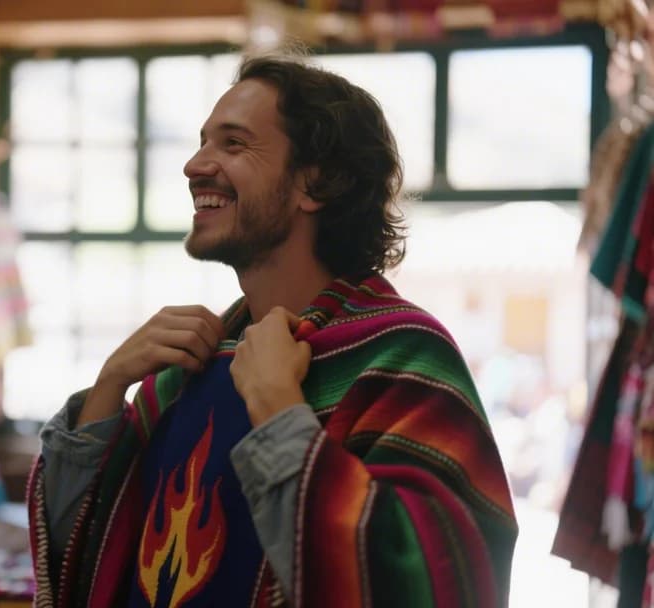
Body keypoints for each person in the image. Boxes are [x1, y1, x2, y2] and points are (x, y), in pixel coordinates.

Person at [27, 47, 518, 608]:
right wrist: (110, 387)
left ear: (318, 184)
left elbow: (443, 584)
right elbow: (82, 555)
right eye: (203, 140)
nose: (194, 164)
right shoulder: (186, 369)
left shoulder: (402, 357)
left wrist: (281, 415)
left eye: (233, 144)